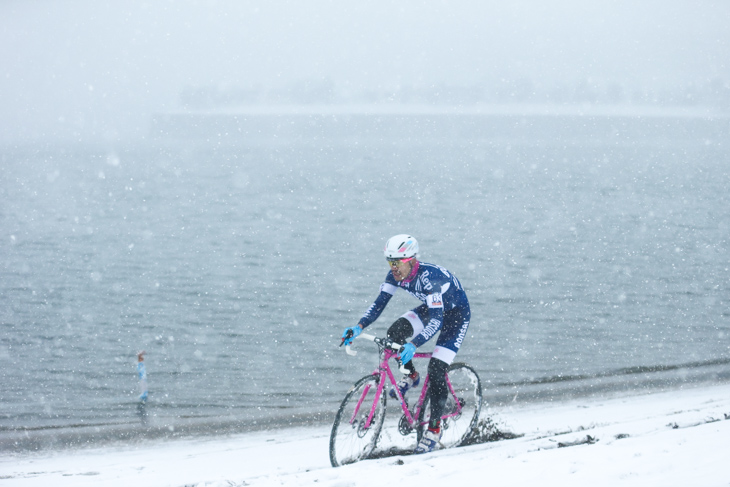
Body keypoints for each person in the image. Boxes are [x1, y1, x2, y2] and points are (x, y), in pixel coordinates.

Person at [341, 234, 471, 454]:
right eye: (390, 262)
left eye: (397, 262)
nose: (393, 267)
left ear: (411, 260)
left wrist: (415, 344)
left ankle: (434, 428)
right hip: (433, 309)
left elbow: (438, 320)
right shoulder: (395, 275)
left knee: (437, 369)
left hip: (455, 316)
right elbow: (378, 304)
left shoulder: (430, 279)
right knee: (394, 334)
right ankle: (411, 376)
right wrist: (359, 327)